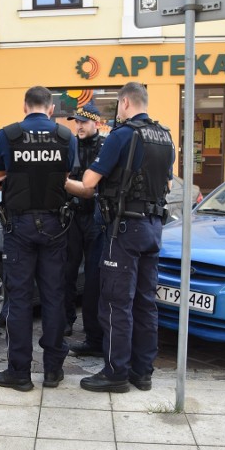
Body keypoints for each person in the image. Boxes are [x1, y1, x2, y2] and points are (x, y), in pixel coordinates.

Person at [66, 82, 174, 393]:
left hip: (124, 229)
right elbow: (166, 186)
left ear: (125, 102)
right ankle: (142, 373)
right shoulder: (164, 136)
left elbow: (88, 184)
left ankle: (116, 373)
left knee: (116, 303)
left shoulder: (122, 135)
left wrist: (62, 182)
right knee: (145, 303)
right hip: (153, 227)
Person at [0, 86, 75, 391]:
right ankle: (52, 371)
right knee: (53, 298)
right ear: (51, 108)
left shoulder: (7, 135)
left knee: (20, 299)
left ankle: (19, 373)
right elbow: (67, 175)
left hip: (20, 226)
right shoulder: (66, 137)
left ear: (25, 106)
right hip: (55, 225)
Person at [63, 102, 106, 358]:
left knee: (93, 279)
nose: (78, 126)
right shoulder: (71, 146)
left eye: (83, 122)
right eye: (76, 121)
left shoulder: (105, 147)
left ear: (96, 123)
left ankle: (93, 333)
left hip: (96, 219)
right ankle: (66, 321)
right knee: (66, 272)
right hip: (73, 217)